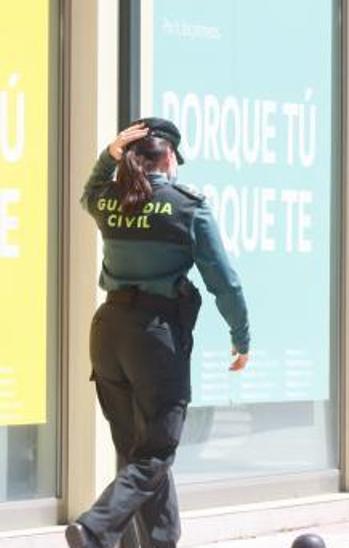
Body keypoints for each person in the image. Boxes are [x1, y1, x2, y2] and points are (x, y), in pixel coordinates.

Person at [65, 119, 250, 548]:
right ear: (168, 158)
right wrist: (241, 336)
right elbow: (225, 281)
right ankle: (96, 527)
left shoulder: (111, 197)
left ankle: (161, 540)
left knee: (138, 451)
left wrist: (106, 157)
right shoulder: (187, 206)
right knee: (156, 451)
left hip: (108, 332)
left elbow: (88, 193)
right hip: (155, 336)